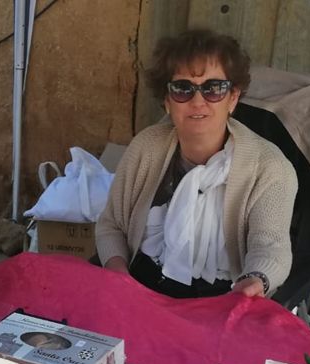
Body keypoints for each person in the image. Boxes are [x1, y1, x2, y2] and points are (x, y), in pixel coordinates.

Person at [94, 29, 297, 299]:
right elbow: (111, 225)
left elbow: (271, 248)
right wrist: (118, 274)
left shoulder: (269, 167)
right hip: (139, 287)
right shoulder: (146, 147)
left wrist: (254, 282)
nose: (198, 101)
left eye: (214, 88)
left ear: (233, 98)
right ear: (167, 101)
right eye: (183, 89)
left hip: (224, 298)